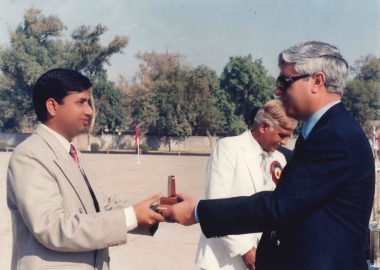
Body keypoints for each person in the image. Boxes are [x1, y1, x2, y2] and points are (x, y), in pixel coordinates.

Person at [163, 41, 375, 270]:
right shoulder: (329, 130)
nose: (277, 91)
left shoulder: (334, 136)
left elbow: (278, 207)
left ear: (317, 81)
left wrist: (198, 211)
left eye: (286, 81)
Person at [6, 69, 165, 270]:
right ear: (53, 106)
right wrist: (131, 217)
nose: (89, 111)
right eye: (81, 102)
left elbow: (99, 204)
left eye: (88, 103)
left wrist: (157, 211)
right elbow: (53, 227)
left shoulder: (71, 152)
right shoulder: (29, 156)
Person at [196, 100, 297, 270]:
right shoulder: (228, 148)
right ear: (264, 126)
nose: (285, 142)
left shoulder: (279, 159)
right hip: (225, 261)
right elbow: (216, 205)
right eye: (282, 135)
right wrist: (245, 249)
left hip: (264, 258)